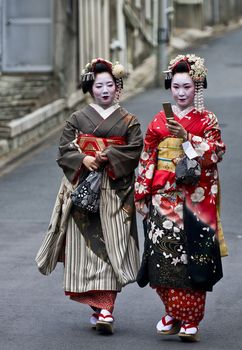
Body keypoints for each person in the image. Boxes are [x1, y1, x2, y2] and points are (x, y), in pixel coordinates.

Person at [36, 58, 143, 334]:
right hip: (84, 194)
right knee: (87, 250)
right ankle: (100, 308)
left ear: (117, 88)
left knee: (111, 249)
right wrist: (83, 158)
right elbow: (64, 150)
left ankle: (107, 307)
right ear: (90, 88)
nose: (104, 90)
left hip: (115, 193)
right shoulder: (78, 118)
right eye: (99, 85)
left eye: (109, 84)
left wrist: (108, 155)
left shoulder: (129, 121)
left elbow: (134, 150)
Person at [134, 54, 227, 342]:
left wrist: (187, 136)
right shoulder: (159, 120)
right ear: (169, 87)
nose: (182, 93)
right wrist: (142, 192)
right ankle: (173, 311)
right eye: (176, 87)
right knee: (162, 256)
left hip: (194, 199)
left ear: (197, 87)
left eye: (187, 87)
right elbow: (148, 156)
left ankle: (190, 319)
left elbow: (216, 152)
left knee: (193, 259)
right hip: (163, 198)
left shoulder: (206, 119)